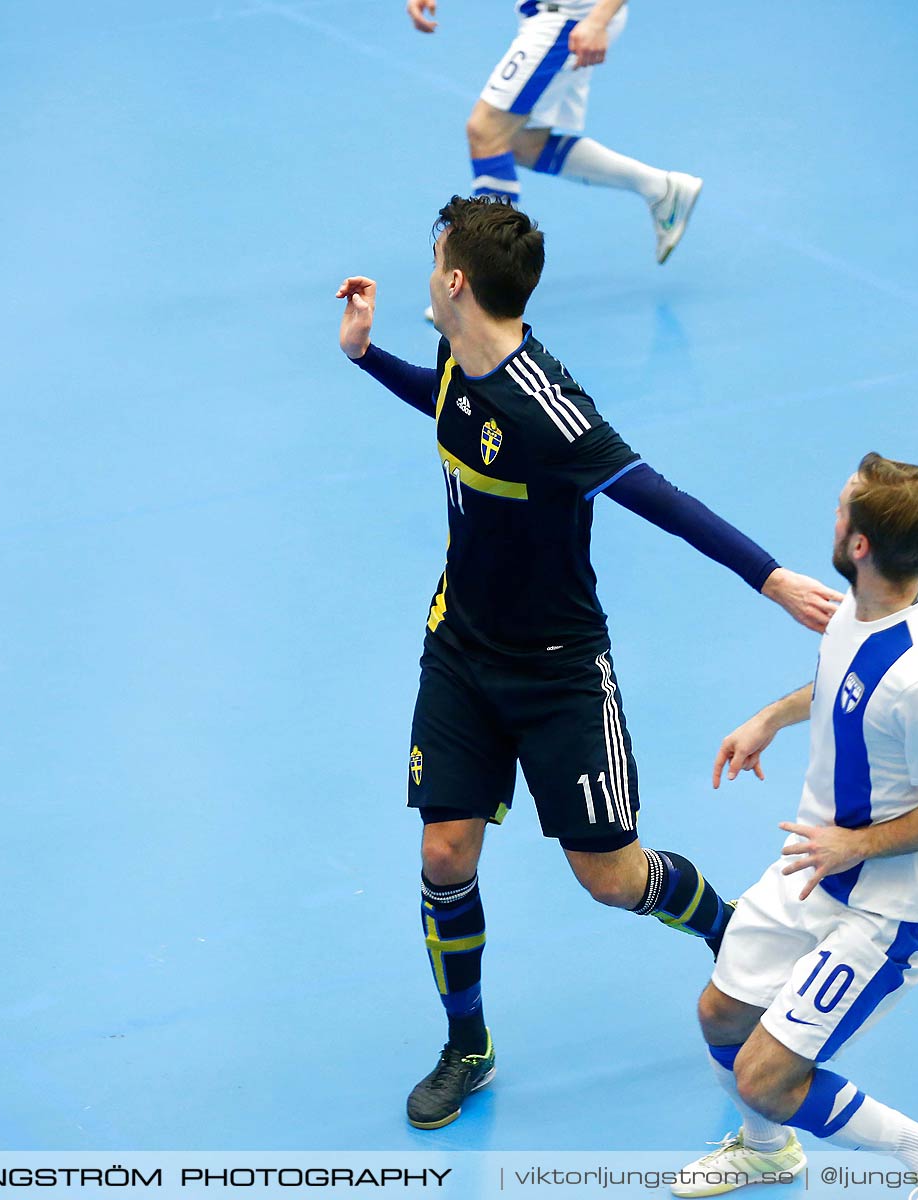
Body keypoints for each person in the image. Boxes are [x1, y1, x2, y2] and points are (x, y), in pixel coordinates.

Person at [335, 195, 841, 1130]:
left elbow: (662, 498)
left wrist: (771, 579)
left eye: (432, 256)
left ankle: (732, 933)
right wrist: (366, 357)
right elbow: (447, 405)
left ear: (454, 282)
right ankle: (467, 1044)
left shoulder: (551, 411)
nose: (425, 270)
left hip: (559, 669)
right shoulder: (457, 353)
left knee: (609, 877)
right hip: (460, 648)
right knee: (445, 851)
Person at [669, 454, 918, 1199]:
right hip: (818, 868)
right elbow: (841, 682)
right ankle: (767, 1152)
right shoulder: (858, 606)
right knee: (721, 1013)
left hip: (889, 909)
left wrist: (859, 844)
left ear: (858, 545)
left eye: (843, 505)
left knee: (765, 1077)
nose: (834, 511)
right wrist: (770, 719)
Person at [405, 0, 703, 264]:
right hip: (555, 18)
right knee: (518, 143)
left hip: (571, 20)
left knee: (487, 130)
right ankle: (661, 189)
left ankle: (487, 272)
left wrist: (598, 20)